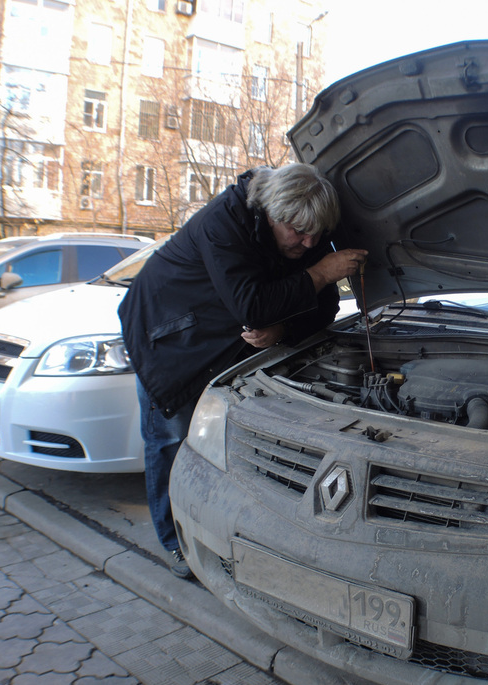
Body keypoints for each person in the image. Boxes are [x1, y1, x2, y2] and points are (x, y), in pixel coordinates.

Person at [118, 163, 366, 578]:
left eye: (315, 235)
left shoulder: (305, 230)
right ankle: (173, 543)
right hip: (168, 337)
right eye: (297, 231)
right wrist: (322, 273)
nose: (307, 243)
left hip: (222, 344)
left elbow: (325, 308)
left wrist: (284, 325)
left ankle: (223, 530)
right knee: (171, 439)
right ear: (271, 211)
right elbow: (252, 305)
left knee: (223, 442)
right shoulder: (224, 221)